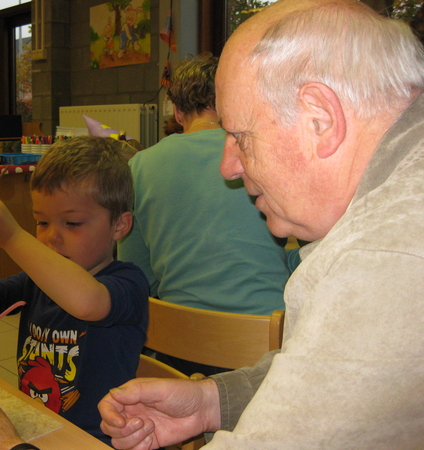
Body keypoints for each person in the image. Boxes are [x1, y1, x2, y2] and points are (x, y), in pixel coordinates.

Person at [98, 1, 424, 449]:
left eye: (241, 137)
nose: (228, 167)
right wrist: (212, 401)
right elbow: (325, 377)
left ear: (321, 119)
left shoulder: (386, 255)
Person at [0, 136, 149, 448]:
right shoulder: (37, 281)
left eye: (72, 223)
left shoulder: (127, 283)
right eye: (41, 222)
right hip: (35, 430)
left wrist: (12, 236)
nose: (51, 238)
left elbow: (87, 302)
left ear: (120, 226)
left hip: (96, 440)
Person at [118, 53, 290, 376]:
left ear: (178, 111)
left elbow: (137, 276)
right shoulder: (257, 157)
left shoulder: (138, 166)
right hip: (265, 348)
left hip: (177, 350)